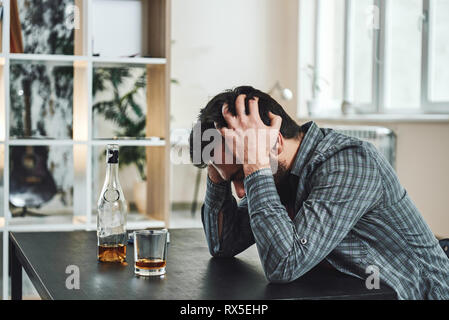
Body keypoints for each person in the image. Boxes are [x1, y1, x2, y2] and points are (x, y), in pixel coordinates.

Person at [189, 85, 449, 300]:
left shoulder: (349, 163)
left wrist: (254, 164)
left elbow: (284, 264)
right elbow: (223, 244)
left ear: (275, 142)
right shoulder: (280, 174)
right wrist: (217, 170)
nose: (241, 192)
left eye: (241, 175)